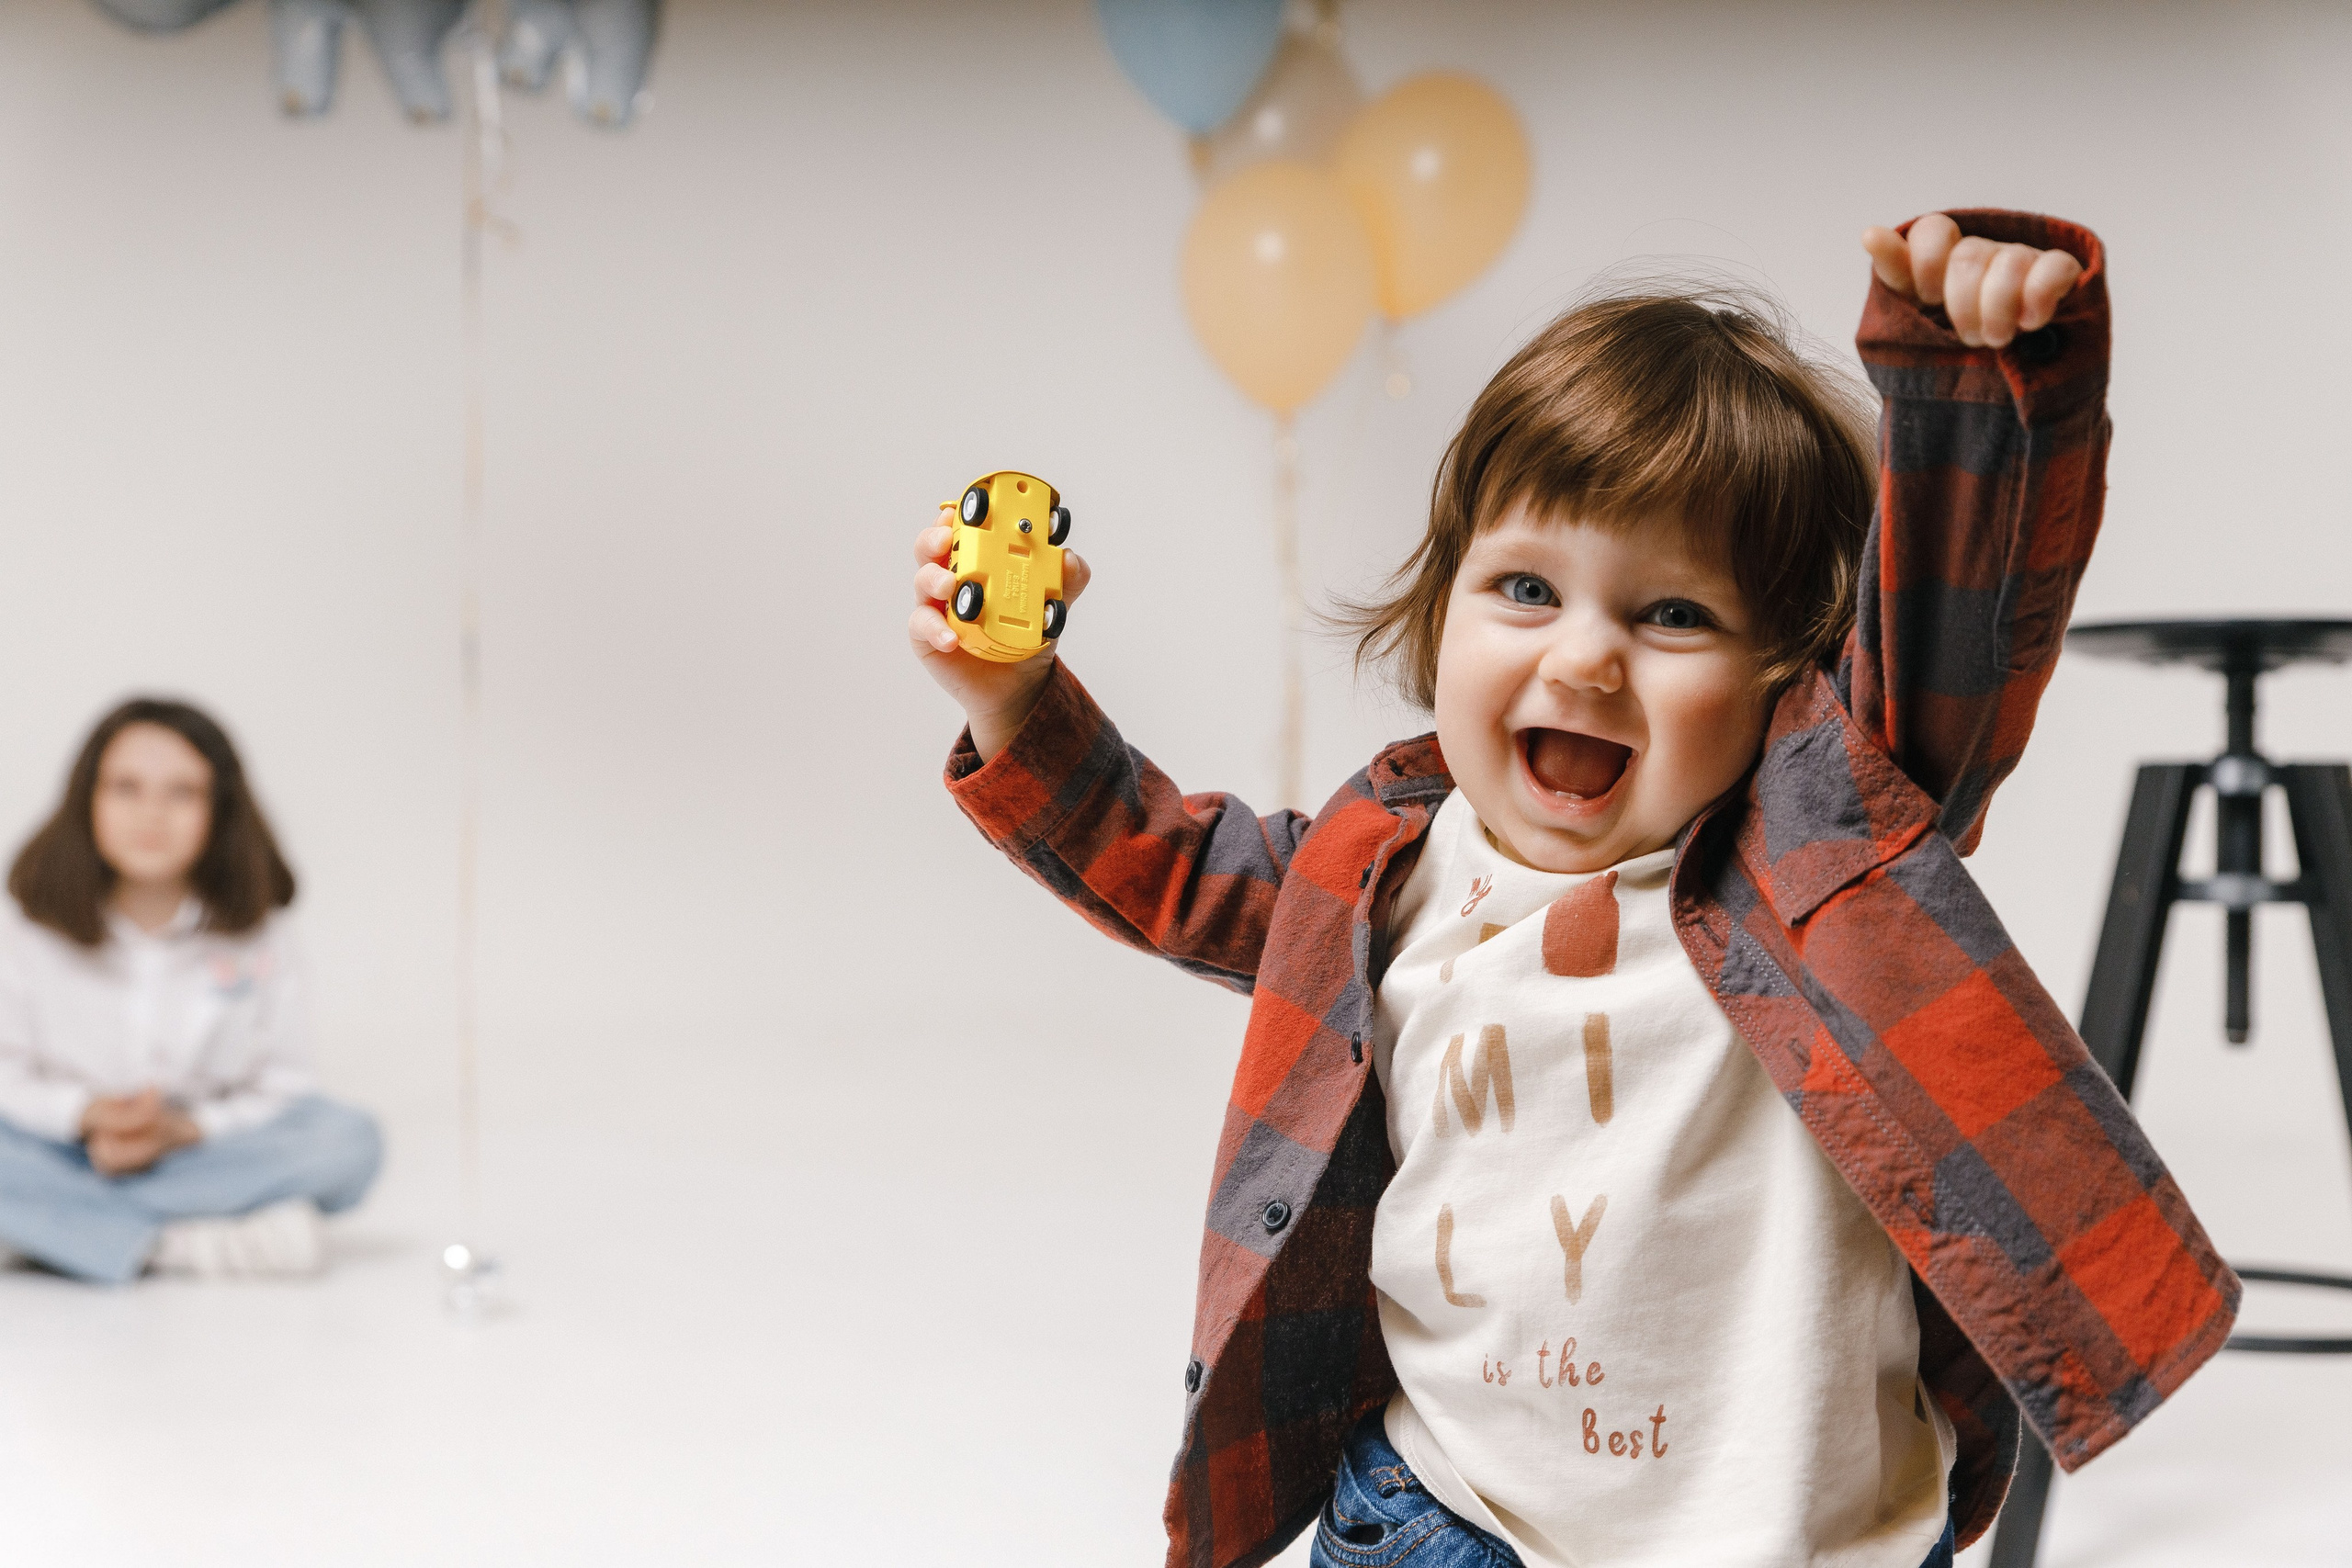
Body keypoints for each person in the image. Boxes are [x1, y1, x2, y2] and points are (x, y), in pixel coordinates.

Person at [910, 211, 2240, 1568]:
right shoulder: (1383, 873)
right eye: (1528, 588)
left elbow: (1956, 631)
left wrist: (1977, 380)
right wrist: (1019, 704)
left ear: (1793, 675)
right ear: (1443, 614)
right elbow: (1172, 863)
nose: (1588, 657)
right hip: (1443, 1517)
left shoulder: (1821, 851)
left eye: (1673, 615)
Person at [0, 699, 380, 1283]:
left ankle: (61, 1235)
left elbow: (285, 1085)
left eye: (182, 792)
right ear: (88, 801)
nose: (151, 813)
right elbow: (8, 1074)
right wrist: (88, 1115)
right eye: (127, 788)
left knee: (349, 1142)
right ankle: (184, 1243)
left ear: (218, 810)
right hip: (65, 1148)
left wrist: (182, 1130)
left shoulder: (260, 932)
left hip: (194, 1154)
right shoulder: (26, 925)